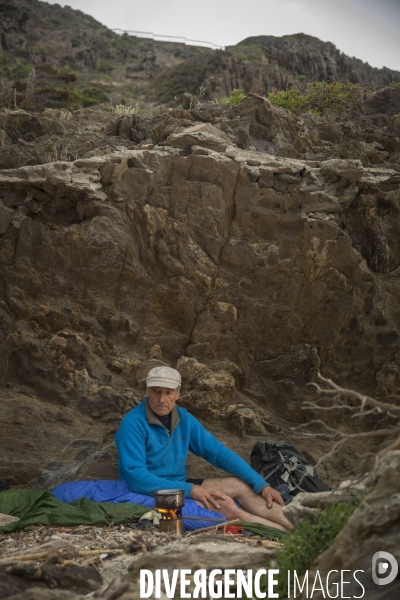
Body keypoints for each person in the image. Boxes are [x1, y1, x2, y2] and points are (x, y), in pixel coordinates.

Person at [115, 366, 293, 531]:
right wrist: (192, 490)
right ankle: (284, 535)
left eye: (168, 392)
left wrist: (262, 485)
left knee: (239, 485)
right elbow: (137, 479)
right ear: (147, 392)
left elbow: (218, 453)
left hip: (180, 485)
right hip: (150, 492)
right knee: (225, 505)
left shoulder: (184, 419)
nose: (162, 399)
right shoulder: (132, 423)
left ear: (177, 394)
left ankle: (299, 529)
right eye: (156, 392)